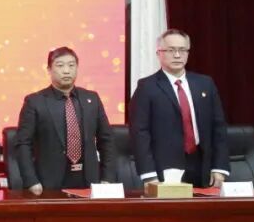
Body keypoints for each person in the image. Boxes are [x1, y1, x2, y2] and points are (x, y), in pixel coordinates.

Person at [129, 29, 229, 187]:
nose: (177, 55)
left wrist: (220, 167)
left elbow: (218, 127)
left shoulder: (205, 84)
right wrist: (149, 175)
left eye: (182, 50)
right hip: (165, 168)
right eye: (171, 50)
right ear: (159, 53)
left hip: (203, 165)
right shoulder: (147, 87)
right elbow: (140, 133)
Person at [14, 46, 116, 192]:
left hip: (88, 179)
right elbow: (23, 144)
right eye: (60, 65)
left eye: (71, 65)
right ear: (49, 70)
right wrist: (31, 181)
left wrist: (108, 178)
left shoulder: (91, 99)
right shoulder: (35, 102)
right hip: (49, 183)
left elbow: (106, 140)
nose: (66, 71)